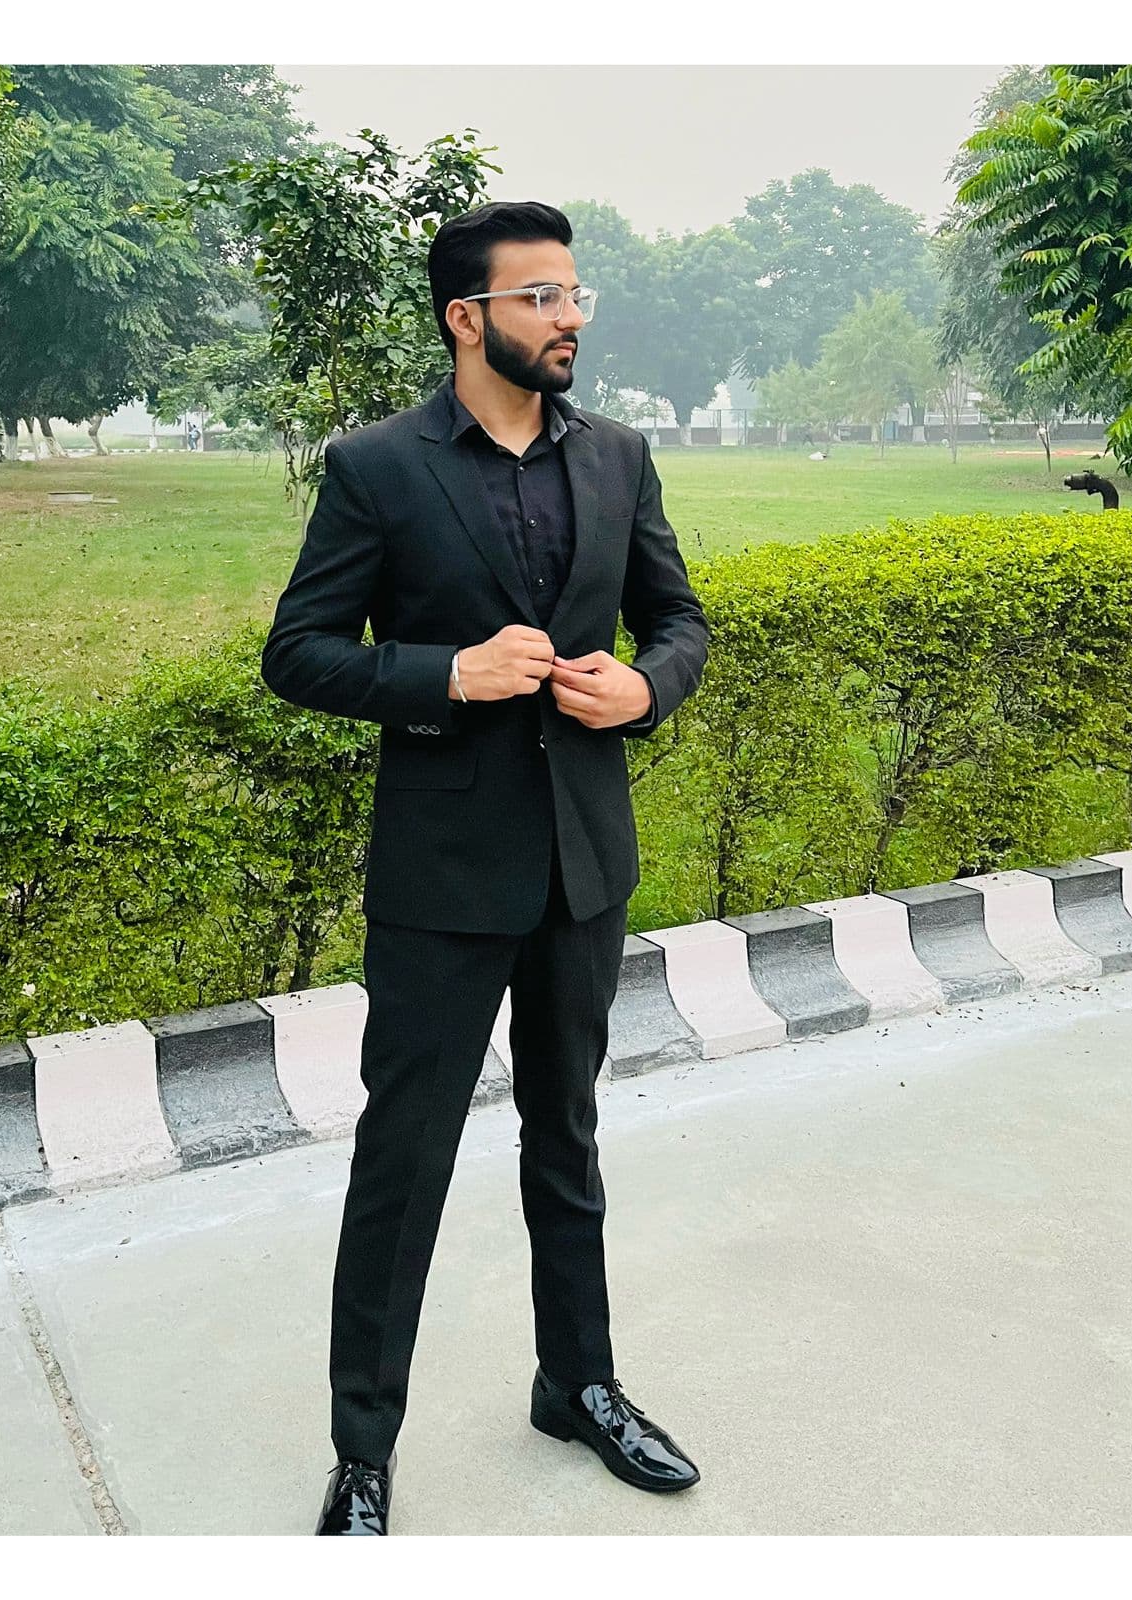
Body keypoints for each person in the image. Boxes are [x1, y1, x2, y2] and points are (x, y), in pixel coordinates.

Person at [259, 200, 710, 1536]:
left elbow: (678, 619)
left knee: (566, 1137)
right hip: (443, 877)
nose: (569, 318)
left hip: (583, 864)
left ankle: (579, 1385)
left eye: (575, 294)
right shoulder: (378, 468)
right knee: (403, 1162)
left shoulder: (619, 455)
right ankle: (361, 1449)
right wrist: (443, 674)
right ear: (468, 319)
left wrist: (646, 688)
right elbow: (298, 652)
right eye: (539, 297)